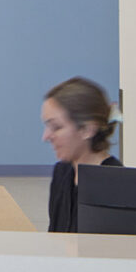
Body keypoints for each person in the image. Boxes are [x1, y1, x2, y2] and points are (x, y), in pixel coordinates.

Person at [43, 76, 122, 233]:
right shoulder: (62, 172)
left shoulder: (116, 185)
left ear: (87, 130)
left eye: (56, 127)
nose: (46, 136)